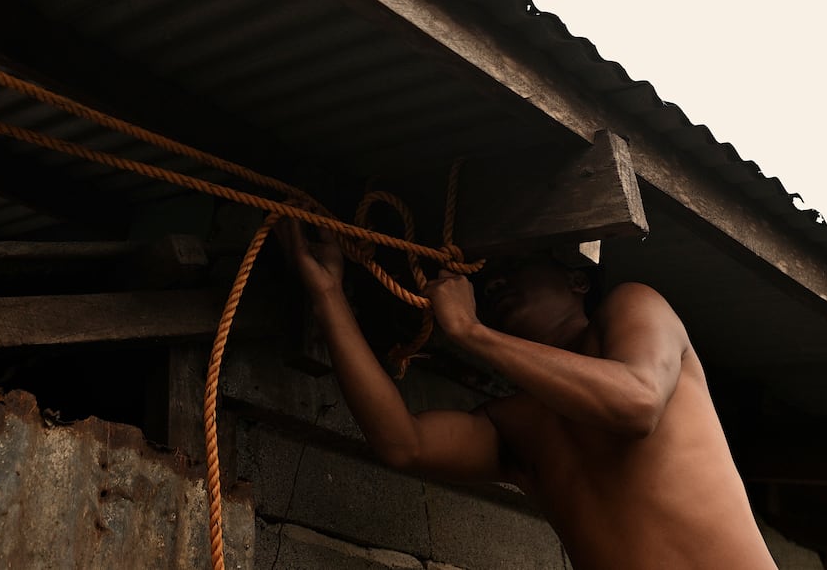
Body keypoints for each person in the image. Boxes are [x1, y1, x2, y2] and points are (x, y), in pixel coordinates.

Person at [280, 221, 778, 570]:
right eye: (484, 277)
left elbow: (638, 402)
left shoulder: (633, 306)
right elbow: (401, 442)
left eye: (516, 264)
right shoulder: (517, 425)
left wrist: (472, 332)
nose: (494, 280)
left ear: (578, 280)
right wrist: (328, 296)